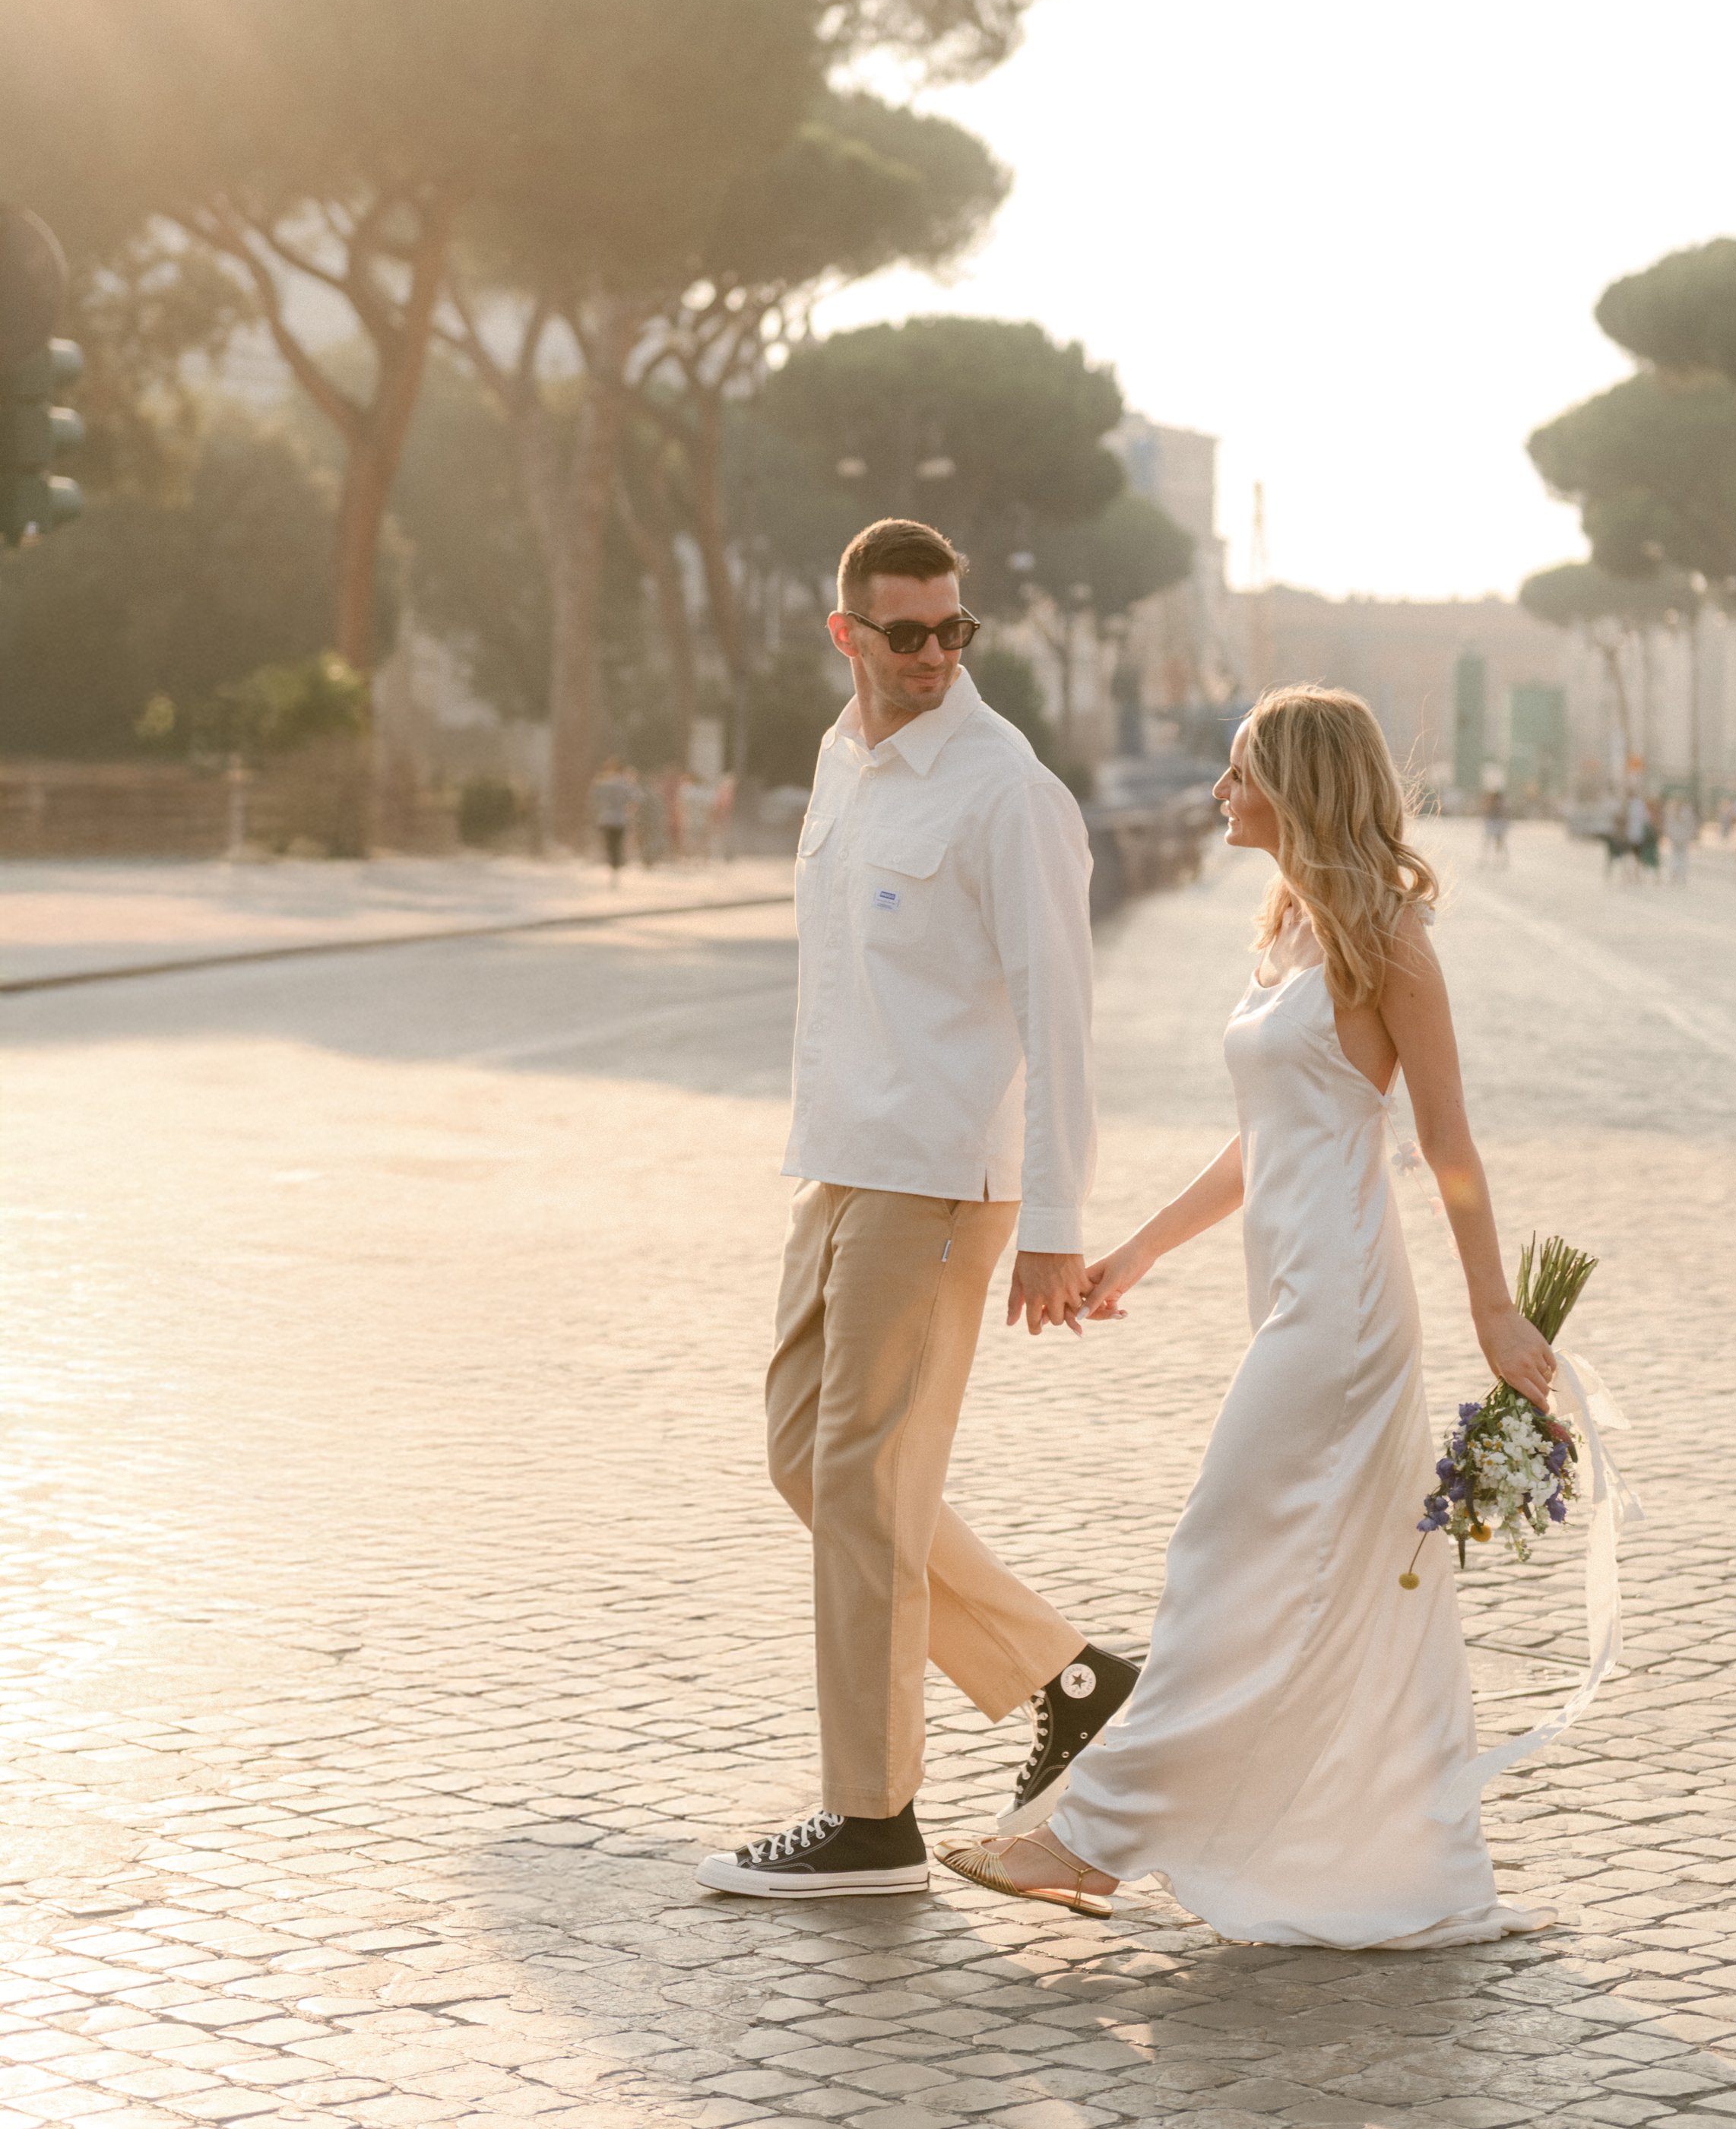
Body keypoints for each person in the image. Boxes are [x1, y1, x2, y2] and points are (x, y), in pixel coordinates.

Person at [939, 683, 1552, 1947]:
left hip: (1341, 1310)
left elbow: (1450, 1146)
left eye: (1238, 772)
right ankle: (1369, 1848)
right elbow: (1256, 1144)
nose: (1220, 792)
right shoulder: (1292, 934)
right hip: (1289, 1288)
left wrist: (1494, 1310)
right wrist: (1138, 1252)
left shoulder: (1390, 941)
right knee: (1297, 1579)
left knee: (1221, 1554)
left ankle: (1091, 1842)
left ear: (1298, 786)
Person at [696, 518, 1138, 1902]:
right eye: (907, 633)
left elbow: (1063, 1020)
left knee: (869, 1485)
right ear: (849, 635)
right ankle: (1064, 1676)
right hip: (839, 1162)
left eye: (956, 630)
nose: (936, 654)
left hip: (941, 1177)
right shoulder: (844, 760)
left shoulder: (1006, 791)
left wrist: (1056, 1218)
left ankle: (869, 1815)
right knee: (806, 1463)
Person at [588, 759, 636, 878]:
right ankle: (616, 865)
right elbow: (633, 799)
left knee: (609, 843)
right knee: (617, 843)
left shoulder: (601, 783)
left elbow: (594, 799)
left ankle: (612, 864)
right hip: (620, 819)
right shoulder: (624, 784)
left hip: (606, 818)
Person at [1665, 796, 1696, 885]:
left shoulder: (1672, 811)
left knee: (1675, 855)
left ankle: (1675, 872)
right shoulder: (1686, 812)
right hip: (1684, 837)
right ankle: (1682, 875)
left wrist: (1670, 834)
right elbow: (1691, 824)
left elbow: (1668, 825)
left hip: (1675, 836)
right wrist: (1691, 835)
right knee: (1683, 856)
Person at [1479, 785, 1509, 869]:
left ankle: (1498, 859)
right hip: (1493, 823)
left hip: (1496, 823)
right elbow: (1486, 812)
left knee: (1498, 842)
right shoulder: (1492, 803)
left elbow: (1504, 814)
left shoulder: (1499, 804)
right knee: (1490, 841)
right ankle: (1487, 859)